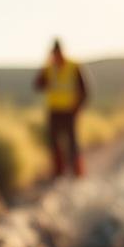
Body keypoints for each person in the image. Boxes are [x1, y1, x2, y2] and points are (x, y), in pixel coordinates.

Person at [33, 39, 88, 178]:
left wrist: (78, 108)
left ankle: (77, 171)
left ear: (61, 52)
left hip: (70, 110)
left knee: (72, 141)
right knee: (53, 141)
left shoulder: (73, 66)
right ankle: (59, 171)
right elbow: (38, 85)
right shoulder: (49, 68)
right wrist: (44, 67)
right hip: (54, 110)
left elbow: (84, 90)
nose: (56, 56)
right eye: (54, 53)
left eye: (57, 53)